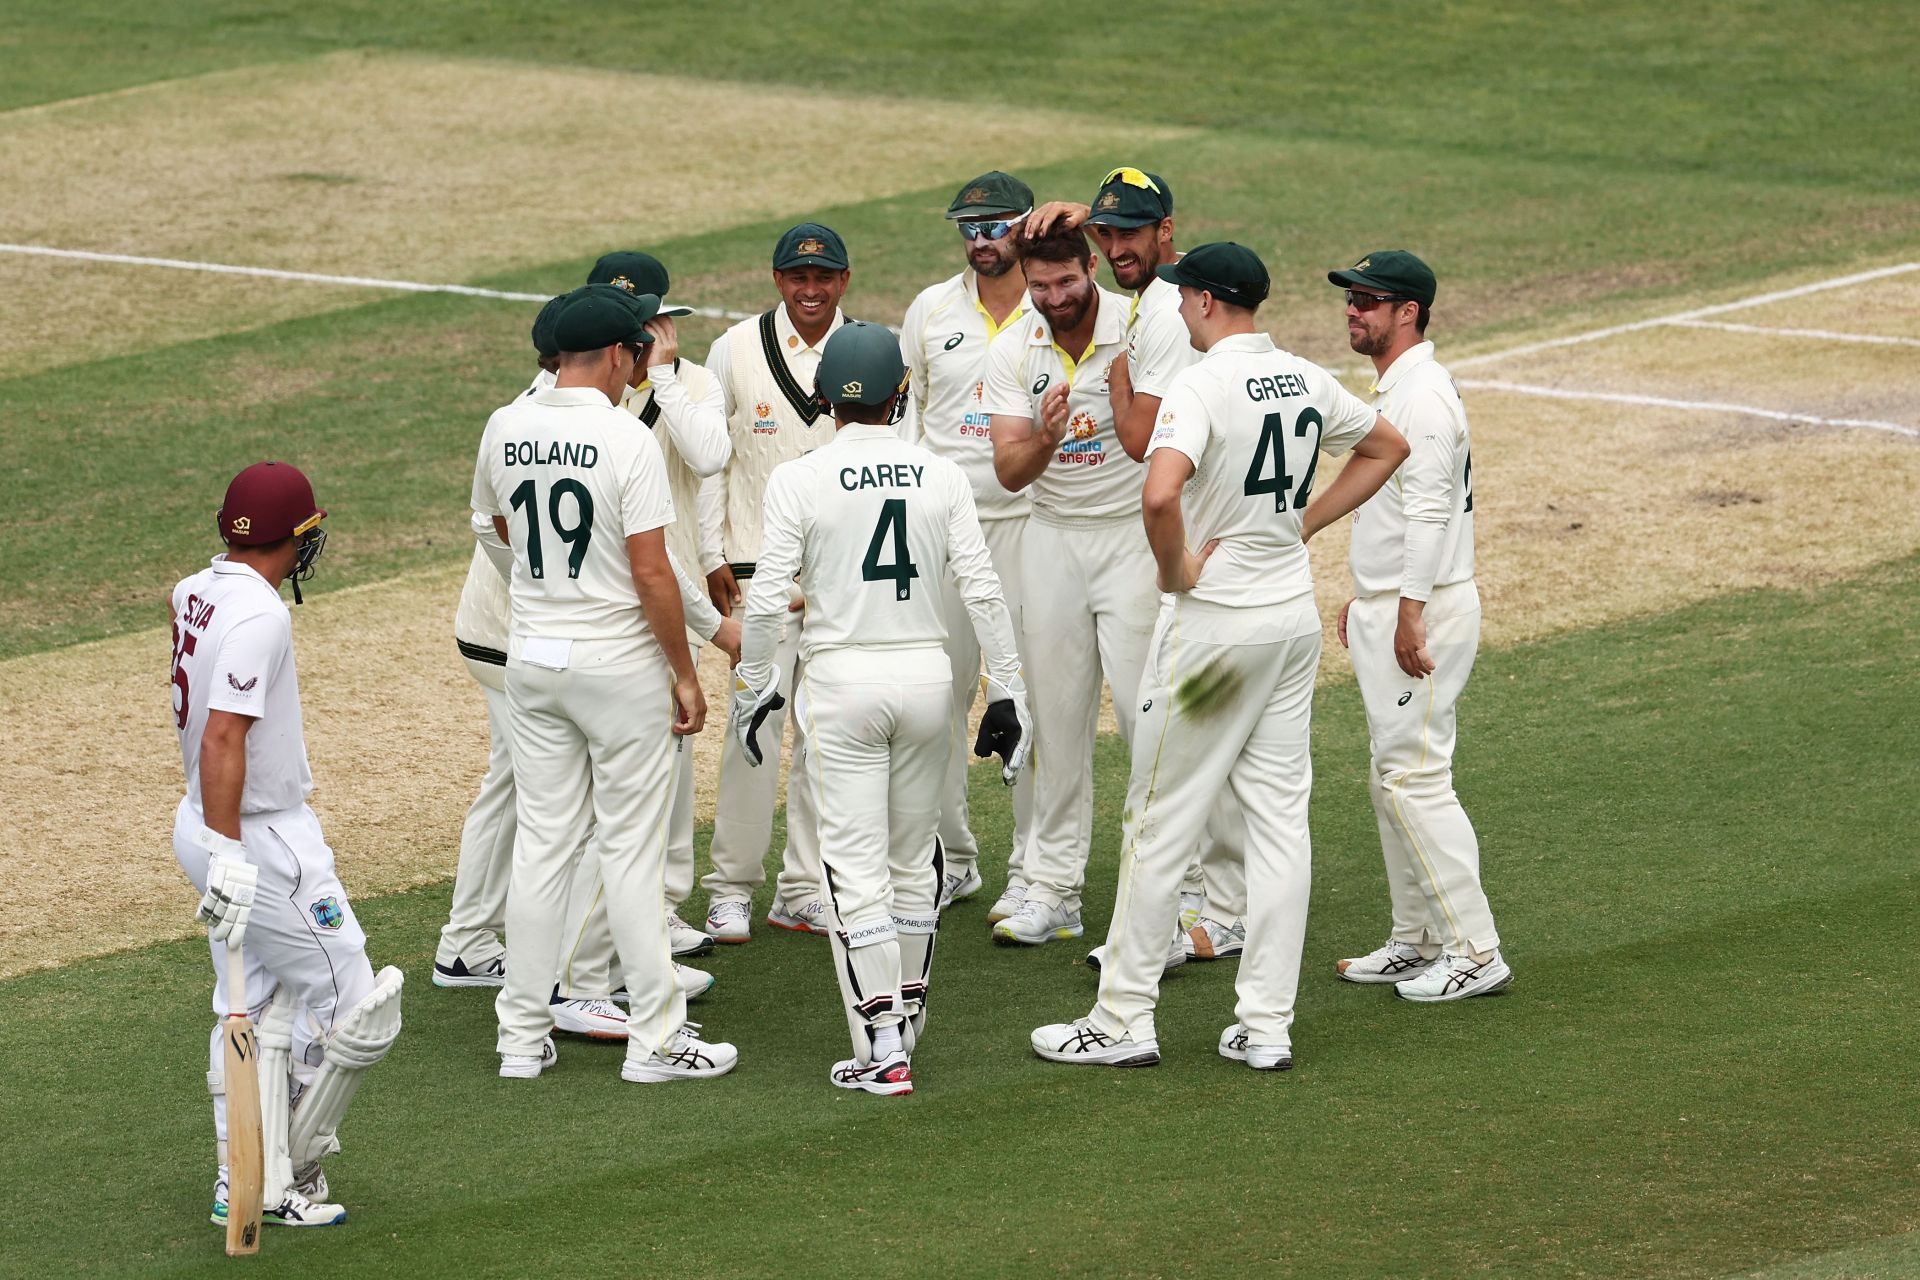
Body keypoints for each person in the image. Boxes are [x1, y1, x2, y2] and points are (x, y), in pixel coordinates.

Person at [1028, 244, 1408, 1070]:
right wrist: (1303, 524)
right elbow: (1386, 446)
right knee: (1280, 827)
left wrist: (1176, 573)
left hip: (1212, 634)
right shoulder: (1305, 376)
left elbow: (1159, 492)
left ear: (1201, 303)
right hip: (1287, 624)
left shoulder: (1200, 386)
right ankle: (1266, 1025)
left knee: (1159, 819)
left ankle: (1124, 1018)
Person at [731, 322, 1030, 1093]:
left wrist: (754, 685)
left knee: (853, 871)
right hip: (927, 681)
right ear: (903, 394)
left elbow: (766, 601)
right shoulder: (941, 475)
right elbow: (984, 591)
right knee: (913, 861)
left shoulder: (799, 478)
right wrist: (1008, 689)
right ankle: (906, 1019)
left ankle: (883, 1045)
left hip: (841, 684)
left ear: (825, 396)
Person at [473, 283, 735, 1082]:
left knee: (545, 848)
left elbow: (499, 528)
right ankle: (659, 1041)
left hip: (534, 662)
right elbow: (654, 573)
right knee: (629, 851)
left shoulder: (505, 424)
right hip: (616, 667)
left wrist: (550, 588)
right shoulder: (626, 438)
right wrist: (685, 675)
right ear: (620, 354)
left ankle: (520, 1039)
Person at [174, 461, 403, 1228]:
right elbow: (223, 735)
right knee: (357, 1003)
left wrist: (212, 842)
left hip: (208, 825)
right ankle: (282, 1170)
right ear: (297, 538)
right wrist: (231, 848)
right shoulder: (264, 617)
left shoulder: (194, 591)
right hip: (258, 834)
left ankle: (238, 1178)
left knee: (255, 1004)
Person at [1031, 166, 1248, 955]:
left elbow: (1134, 441)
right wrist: (1096, 219)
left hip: (1181, 543)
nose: (1118, 248)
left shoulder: (1159, 314)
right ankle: (1207, 903)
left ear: (1168, 229)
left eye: (1133, 233)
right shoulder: (1169, 295)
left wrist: (1116, 373)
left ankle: (1211, 904)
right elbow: (1138, 252)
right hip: (1191, 539)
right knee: (1173, 724)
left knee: (1170, 725)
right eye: (1108, 236)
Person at [698, 224, 915, 941]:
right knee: (751, 730)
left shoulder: (876, 353)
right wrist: (709, 554)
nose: (811, 289)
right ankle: (730, 886)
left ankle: (804, 885)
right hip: (758, 575)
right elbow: (710, 461)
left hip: (843, 581)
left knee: (828, 738)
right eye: (798, 277)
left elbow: (897, 466)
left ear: (844, 280)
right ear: (777, 278)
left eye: (824, 278)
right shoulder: (732, 350)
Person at [548, 252, 743, 1033]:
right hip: (620, 620)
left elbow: (713, 456)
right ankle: (593, 971)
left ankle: (643, 936)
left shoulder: (687, 384)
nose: (640, 342)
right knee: (607, 815)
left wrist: (661, 378)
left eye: (650, 328)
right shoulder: (568, 408)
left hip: (655, 603)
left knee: (655, 791)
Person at [1326, 250, 1511, 1001]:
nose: (1353, 311)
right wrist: (1369, 594)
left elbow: (1433, 512)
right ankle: (1417, 939)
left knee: (1415, 778)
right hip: (1394, 603)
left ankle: (1476, 949)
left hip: (1425, 610)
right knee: (1388, 777)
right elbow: (1395, 506)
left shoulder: (1424, 397)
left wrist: (1406, 610)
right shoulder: (1400, 388)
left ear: (1409, 312)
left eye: (1369, 300)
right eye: (1350, 299)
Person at [981, 223, 1161, 950]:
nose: (1054, 298)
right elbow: (1008, 471)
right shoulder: (1012, 347)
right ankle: (1055, 890)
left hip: (1131, 539)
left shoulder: (1139, 327)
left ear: (1092, 267)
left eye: (1066, 281)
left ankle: (1182, 891)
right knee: (1055, 725)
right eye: (1040, 285)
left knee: (1152, 721)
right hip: (1050, 538)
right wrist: (1048, 436)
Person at [898, 170, 1036, 911]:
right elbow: (906, 417)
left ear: (1026, 226)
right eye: (968, 229)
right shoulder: (930, 309)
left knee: (1028, 694)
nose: (980, 241)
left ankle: (1033, 874)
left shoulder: (1054, 306)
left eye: (994, 226)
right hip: (945, 533)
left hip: (1031, 527)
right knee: (938, 699)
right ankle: (953, 860)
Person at [434, 295, 565, 990]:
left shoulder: (543, 412)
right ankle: (468, 943)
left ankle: (475, 938)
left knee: (515, 782)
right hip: (509, 637)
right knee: (520, 785)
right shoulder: (532, 420)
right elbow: (490, 526)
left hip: (516, 635)